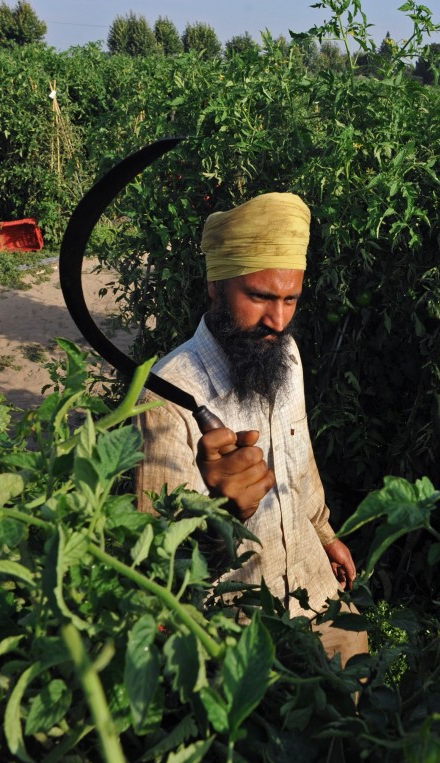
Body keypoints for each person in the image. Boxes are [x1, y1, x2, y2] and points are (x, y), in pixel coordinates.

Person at [134, 192, 368, 668]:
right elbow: (161, 560)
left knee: (357, 717)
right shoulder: (167, 396)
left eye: (290, 299)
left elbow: (300, 463)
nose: (277, 321)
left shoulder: (287, 355)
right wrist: (223, 516)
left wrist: (324, 535)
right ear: (216, 286)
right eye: (260, 296)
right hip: (237, 634)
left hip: (316, 592)